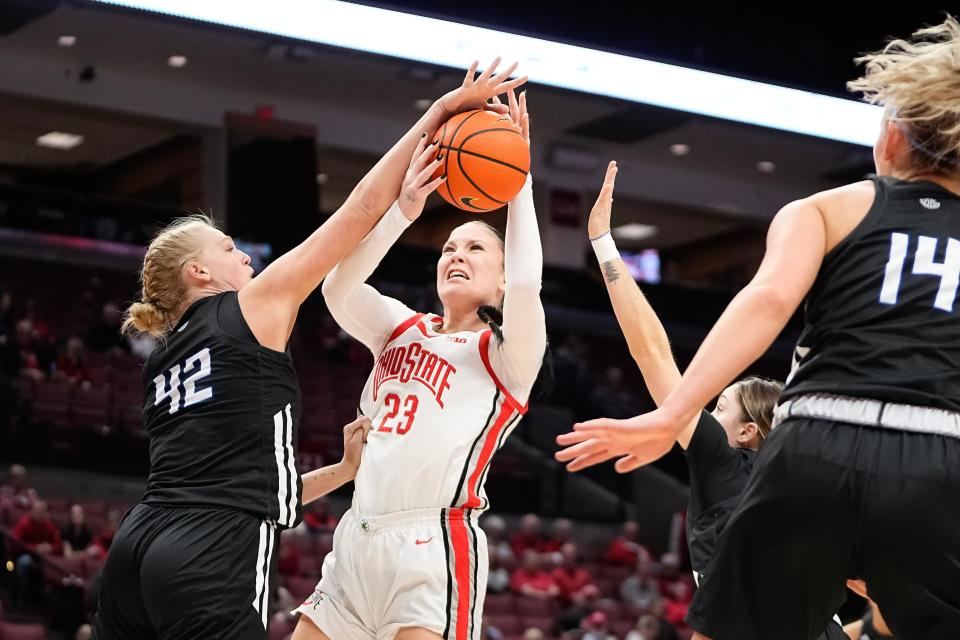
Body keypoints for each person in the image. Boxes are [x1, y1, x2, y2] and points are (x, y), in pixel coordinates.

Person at [92, 58, 525, 640]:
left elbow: (249, 479)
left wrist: (345, 471)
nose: (243, 254)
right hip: (207, 552)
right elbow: (359, 212)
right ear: (199, 271)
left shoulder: (164, 358)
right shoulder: (254, 303)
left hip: (135, 548)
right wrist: (439, 113)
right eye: (227, 248)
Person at [557, 16, 960, 640]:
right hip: (942, 453)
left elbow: (768, 300)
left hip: (820, 439)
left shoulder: (829, 208)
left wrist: (672, 415)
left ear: (891, 136)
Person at [294, 87, 545, 640]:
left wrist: (518, 180)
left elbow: (529, 283)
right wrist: (403, 211)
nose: (457, 255)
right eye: (450, 248)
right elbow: (339, 287)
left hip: (431, 546)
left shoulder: (508, 356)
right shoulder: (401, 328)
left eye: (476, 249)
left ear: (501, 280)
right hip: (356, 536)